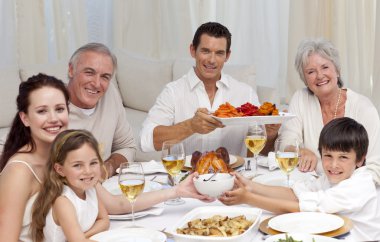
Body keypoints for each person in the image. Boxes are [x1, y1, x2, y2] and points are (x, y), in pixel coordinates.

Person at [220, 117, 380, 241]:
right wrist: (251, 186)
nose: (333, 164)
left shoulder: (360, 184)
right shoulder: (330, 179)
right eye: (328, 156)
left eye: (343, 157)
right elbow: (295, 194)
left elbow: (300, 207)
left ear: (360, 159)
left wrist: (248, 199)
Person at [140, 22, 279, 156]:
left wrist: (271, 135)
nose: (212, 60)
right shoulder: (173, 92)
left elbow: (260, 153)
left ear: (227, 56)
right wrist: (190, 126)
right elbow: (146, 140)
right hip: (186, 176)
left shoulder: (245, 93)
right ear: (193, 50)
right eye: (206, 51)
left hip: (233, 177)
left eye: (219, 53)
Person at [279, 38, 380, 184]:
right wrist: (299, 151)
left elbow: (376, 168)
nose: (320, 75)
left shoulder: (364, 108)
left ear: (337, 70)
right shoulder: (300, 98)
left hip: (353, 191)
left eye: (325, 67)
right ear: (305, 79)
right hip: (312, 186)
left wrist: (342, 189)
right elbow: (286, 141)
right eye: (311, 71)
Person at [0, 73, 70, 242]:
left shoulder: (65, 154)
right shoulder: (19, 171)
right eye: (42, 111)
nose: (54, 119)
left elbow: (112, 204)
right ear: (25, 118)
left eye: (60, 109)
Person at [31, 130, 109, 242]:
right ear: (60, 170)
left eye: (93, 163)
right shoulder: (63, 201)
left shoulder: (90, 189)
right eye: (78, 165)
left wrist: (83, 236)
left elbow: (104, 220)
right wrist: (80, 238)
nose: (88, 171)